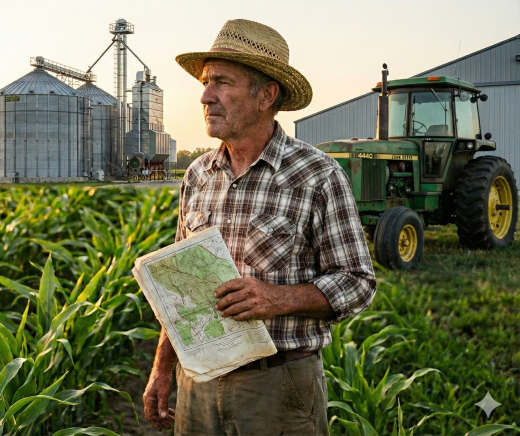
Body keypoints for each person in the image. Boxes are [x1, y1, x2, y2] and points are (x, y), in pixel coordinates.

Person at [143, 19, 377, 435]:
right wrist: (163, 367)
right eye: (204, 81)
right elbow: (177, 288)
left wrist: (277, 298)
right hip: (197, 383)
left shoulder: (316, 175)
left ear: (267, 95)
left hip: (278, 387)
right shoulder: (198, 174)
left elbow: (358, 282)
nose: (205, 96)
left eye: (222, 82)